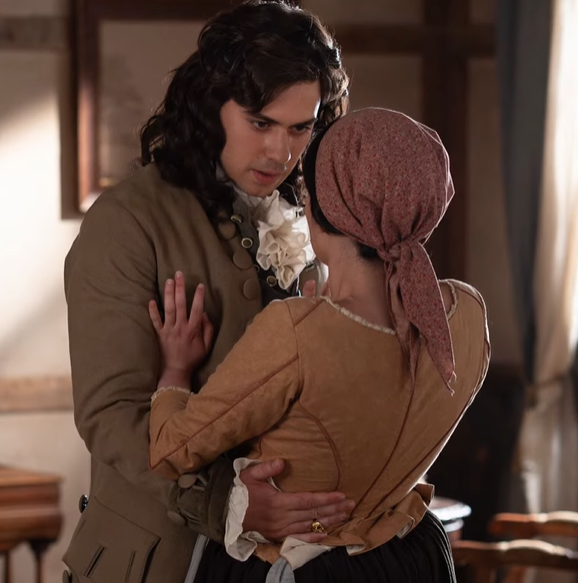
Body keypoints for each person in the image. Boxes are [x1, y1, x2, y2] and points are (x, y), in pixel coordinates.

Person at [62, 2, 352, 582]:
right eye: (261, 123)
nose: (281, 152)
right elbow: (111, 415)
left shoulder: (314, 217)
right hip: (161, 556)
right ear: (211, 104)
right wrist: (228, 500)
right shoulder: (127, 220)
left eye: (301, 128)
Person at [147, 108, 491, 583]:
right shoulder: (468, 315)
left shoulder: (297, 331)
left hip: (306, 571)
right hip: (412, 559)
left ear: (324, 207)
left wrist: (175, 370)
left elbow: (171, 450)